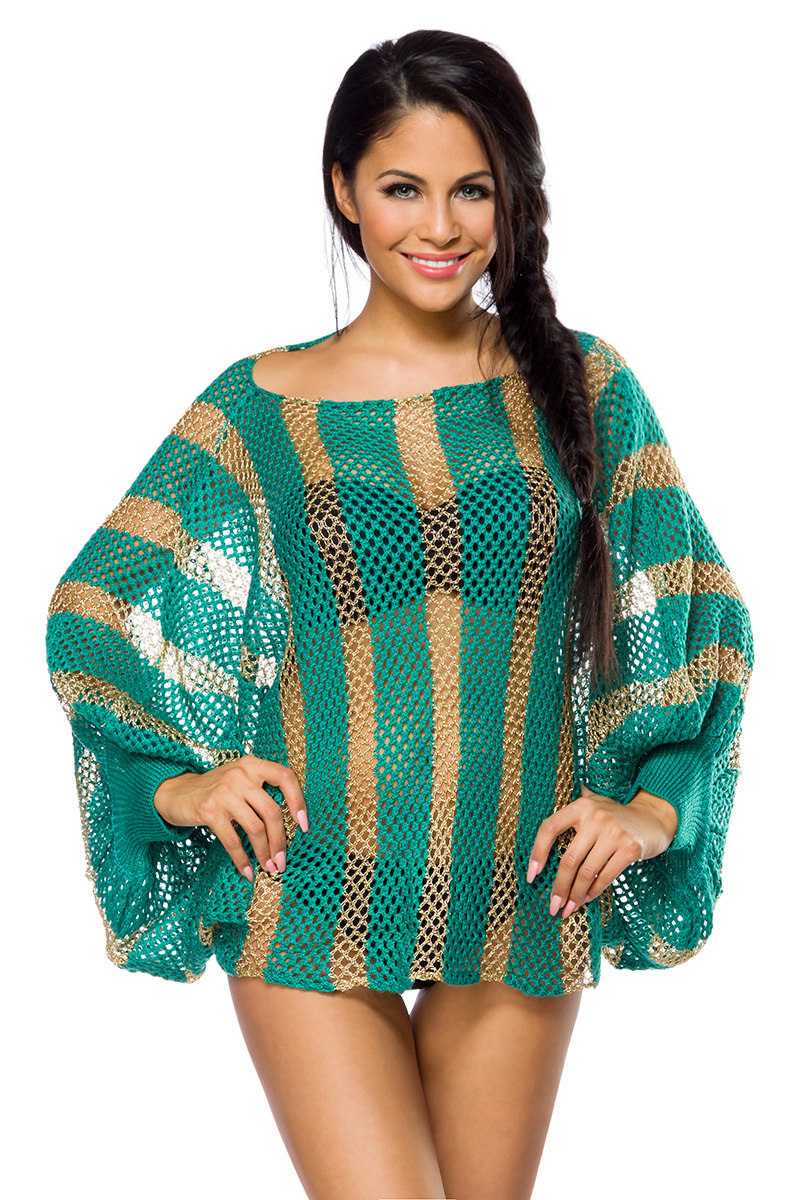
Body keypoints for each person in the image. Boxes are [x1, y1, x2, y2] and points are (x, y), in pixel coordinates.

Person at [45, 28, 754, 1200]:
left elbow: (696, 612)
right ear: (343, 191)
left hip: (522, 881)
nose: (439, 225)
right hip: (307, 878)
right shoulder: (258, 405)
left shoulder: (584, 385)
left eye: (472, 188)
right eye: (401, 188)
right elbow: (95, 610)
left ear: (514, 195)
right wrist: (178, 785)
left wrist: (648, 805)